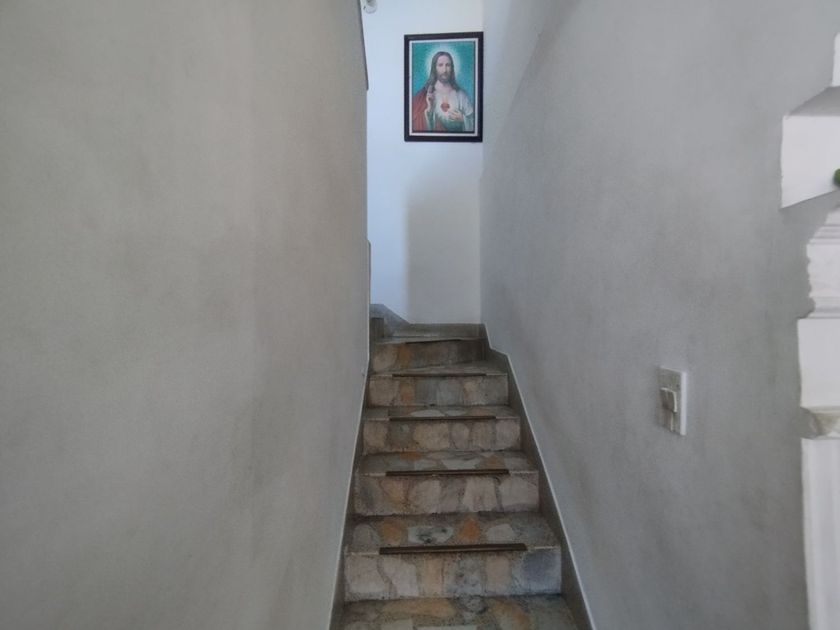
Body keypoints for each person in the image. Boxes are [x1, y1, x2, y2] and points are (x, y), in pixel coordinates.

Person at [411, 51, 475, 133]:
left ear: (452, 68)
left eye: (448, 65)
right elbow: (414, 125)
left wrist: (463, 119)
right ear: (434, 68)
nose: (444, 70)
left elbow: (475, 123)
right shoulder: (425, 94)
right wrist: (429, 110)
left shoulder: (461, 95)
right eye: (440, 65)